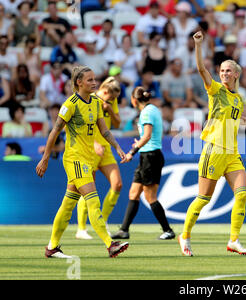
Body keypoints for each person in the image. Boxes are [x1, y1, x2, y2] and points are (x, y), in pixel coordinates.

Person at [177, 31, 246, 257]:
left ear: (236, 75)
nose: (223, 73)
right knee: (203, 199)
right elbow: (202, 69)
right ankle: (185, 236)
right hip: (213, 149)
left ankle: (233, 240)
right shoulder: (215, 90)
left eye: (227, 71)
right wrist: (198, 45)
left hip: (232, 152)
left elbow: (239, 120)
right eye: (222, 70)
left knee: (242, 195)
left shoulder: (238, 98)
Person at [35, 66, 129, 258]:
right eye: (90, 80)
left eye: (95, 79)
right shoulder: (70, 104)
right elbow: (55, 131)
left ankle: (52, 247)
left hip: (88, 158)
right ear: (78, 82)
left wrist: (117, 147)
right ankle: (110, 244)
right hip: (74, 159)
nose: (94, 83)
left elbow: (104, 130)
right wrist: (45, 158)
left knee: (68, 204)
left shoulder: (95, 102)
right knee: (93, 200)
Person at [111, 86, 175, 240]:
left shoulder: (146, 112)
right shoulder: (152, 109)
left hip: (150, 157)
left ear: (134, 100)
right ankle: (124, 230)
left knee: (150, 196)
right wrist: (139, 144)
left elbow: (146, 136)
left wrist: (132, 151)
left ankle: (168, 230)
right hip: (148, 155)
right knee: (133, 193)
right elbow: (147, 137)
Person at [75, 77, 123, 240]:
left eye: (114, 99)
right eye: (111, 97)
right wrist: (94, 142)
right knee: (87, 188)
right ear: (104, 91)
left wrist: (109, 109)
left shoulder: (111, 101)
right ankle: (81, 229)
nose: (113, 100)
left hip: (106, 148)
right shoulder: (91, 99)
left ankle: (102, 221)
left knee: (117, 184)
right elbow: (82, 125)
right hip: (90, 148)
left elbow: (117, 124)